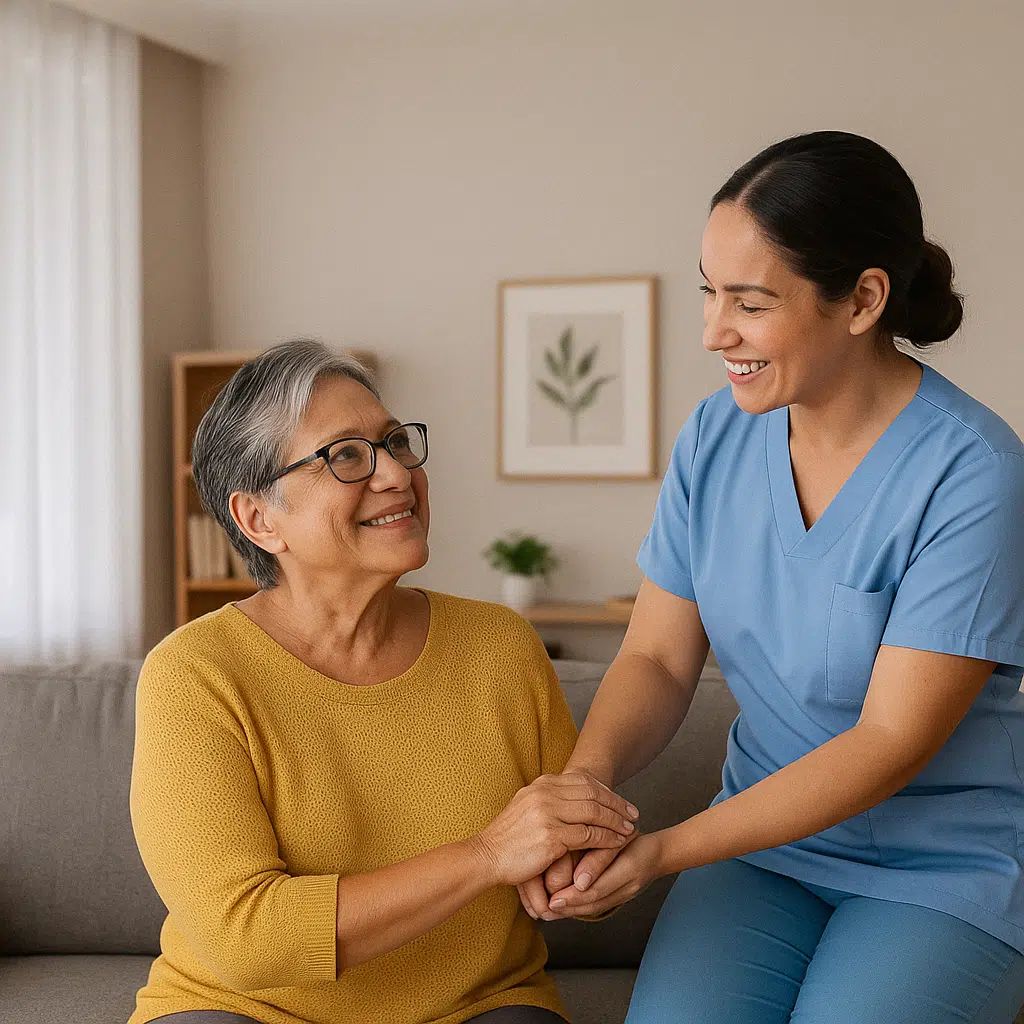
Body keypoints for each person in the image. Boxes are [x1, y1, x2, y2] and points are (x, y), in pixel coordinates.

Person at [521, 131, 1024, 1023]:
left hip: (943, 868)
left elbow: (887, 744)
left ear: (864, 298)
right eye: (711, 292)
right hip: (762, 854)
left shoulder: (975, 471)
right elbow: (659, 661)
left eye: (750, 302)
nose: (716, 331)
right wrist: (585, 794)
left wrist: (661, 851)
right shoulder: (716, 437)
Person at [128, 340, 640, 1024]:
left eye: (395, 442)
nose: (397, 474)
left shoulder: (501, 647)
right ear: (259, 519)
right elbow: (246, 939)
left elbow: (558, 840)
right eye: (345, 455)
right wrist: (487, 856)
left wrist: (582, 868)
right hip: (246, 1009)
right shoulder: (194, 676)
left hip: (476, 1007)